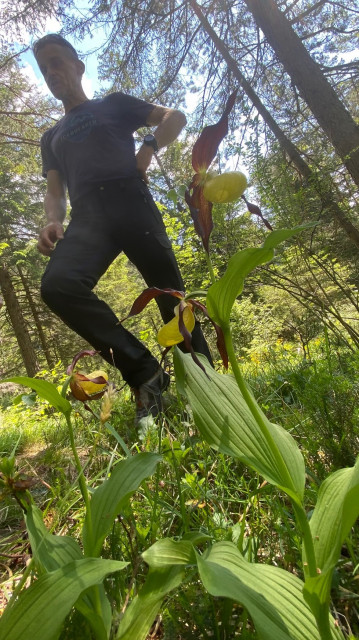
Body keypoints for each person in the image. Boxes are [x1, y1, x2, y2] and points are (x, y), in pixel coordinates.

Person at [33, 34, 212, 422]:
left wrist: (148, 146)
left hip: (130, 198)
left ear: (78, 66)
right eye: (44, 67)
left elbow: (174, 117)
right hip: (88, 217)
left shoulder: (113, 104)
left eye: (57, 62)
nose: (51, 72)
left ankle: (209, 390)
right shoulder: (51, 138)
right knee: (58, 285)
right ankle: (145, 372)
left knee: (170, 294)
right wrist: (51, 220)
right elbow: (53, 190)